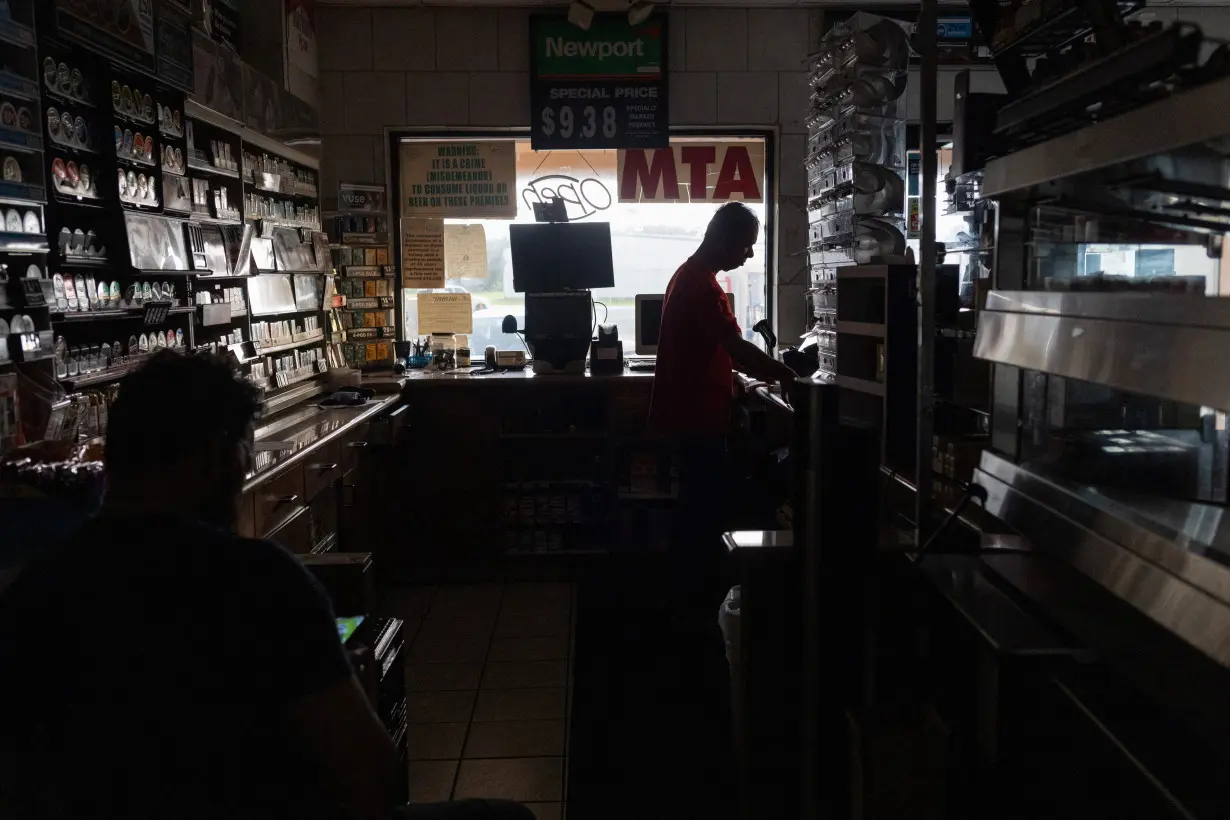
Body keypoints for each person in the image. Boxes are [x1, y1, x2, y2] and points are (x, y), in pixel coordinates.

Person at [0, 352, 531, 820]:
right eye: (243, 449)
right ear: (218, 457)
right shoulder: (257, 583)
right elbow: (369, 774)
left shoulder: (39, 585)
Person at [649, 201, 797, 616]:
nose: (749, 254)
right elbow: (735, 347)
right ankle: (693, 601)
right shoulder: (702, 287)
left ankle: (686, 592)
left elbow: (715, 349)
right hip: (698, 418)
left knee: (698, 503)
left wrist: (743, 375)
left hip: (694, 413)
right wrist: (785, 373)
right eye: (747, 245)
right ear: (726, 238)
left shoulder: (689, 275)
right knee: (702, 508)